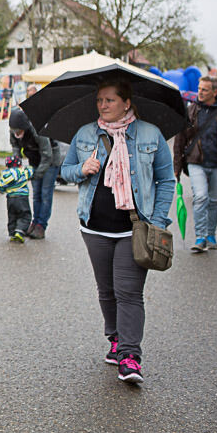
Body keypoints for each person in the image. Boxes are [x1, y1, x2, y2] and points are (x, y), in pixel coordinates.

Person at [60, 78, 175, 384]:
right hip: (94, 227)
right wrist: (82, 169)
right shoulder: (86, 133)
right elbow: (65, 170)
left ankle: (129, 356)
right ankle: (114, 338)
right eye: (99, 101)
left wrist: (159, 220)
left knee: (128, 292)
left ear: (126, 102)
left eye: (109, 100)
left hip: (134, 229)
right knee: (107, 290)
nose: (103, 105)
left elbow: (167, 180)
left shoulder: (151, 134)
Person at [173, 75, 217, 252]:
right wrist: (177, 166)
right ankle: (200, 237)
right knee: (201, 197)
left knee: (214, 201)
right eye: (199, 89)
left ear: (215, 91)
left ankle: (210, 234)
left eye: (204, 90)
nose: (200, 93)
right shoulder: (191, 111)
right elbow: (180, 139)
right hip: (195, 161)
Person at [8, 107, 62, 239]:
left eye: (19, 130)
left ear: (24, 127)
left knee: (45, 193)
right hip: (34, 160)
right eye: (14, 130)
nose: (16, 133)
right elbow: (16, 147)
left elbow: (47, 155)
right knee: (36, 193)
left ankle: (41, 225)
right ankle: (34, 222)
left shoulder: (37, 131)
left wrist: (36, 174)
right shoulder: (13, 132)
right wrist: (16, 164)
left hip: (50, 161)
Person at [0, 153, 33, 242]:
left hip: (10, 198)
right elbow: (31, 171)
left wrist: (1, 190)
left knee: (12, 215)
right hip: (22, 197)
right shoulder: (22, 172)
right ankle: (20, 231)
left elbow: (1, 187)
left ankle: (12, 233)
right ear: (20, 165)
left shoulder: (5, 174)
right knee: (25, 215)